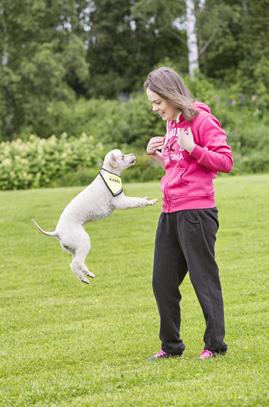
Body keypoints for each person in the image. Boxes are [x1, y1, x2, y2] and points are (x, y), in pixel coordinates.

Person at [144, 67, 233, 360]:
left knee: (203, 278)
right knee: (162, 281)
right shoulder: (172, 125)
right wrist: (159, 156)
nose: (155, 109)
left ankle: (215, 346)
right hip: (170, 210)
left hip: (197, 211)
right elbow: (178, 169)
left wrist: (194, 147)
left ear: (171, 95)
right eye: (152, 103)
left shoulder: (202, 120)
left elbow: (225, 161)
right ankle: (171, 347)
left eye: (158, 102)